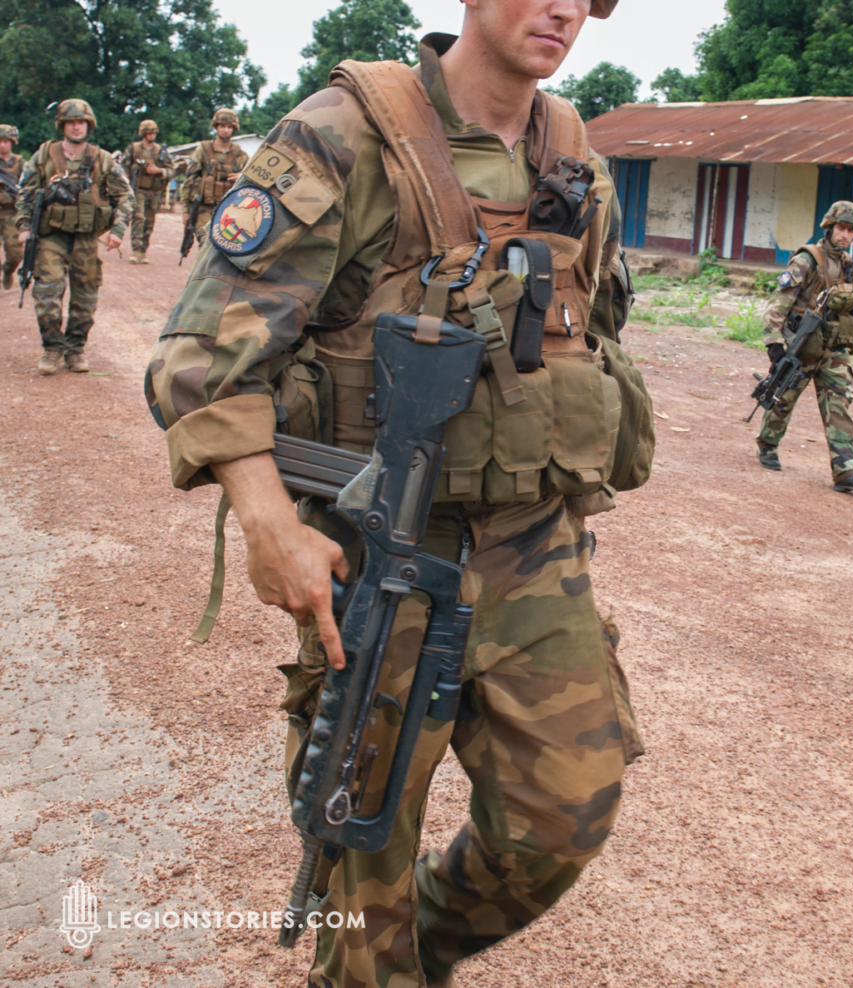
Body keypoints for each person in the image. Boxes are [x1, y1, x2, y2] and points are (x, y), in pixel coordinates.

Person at [143, 1, 650, 986]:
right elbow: (201, 358)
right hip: (384, 547)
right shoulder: (344, 135)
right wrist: (268, 522)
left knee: (565, 816)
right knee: (361, 848)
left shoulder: (574, 149)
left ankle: (416, 944)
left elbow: (591, 330)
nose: (560, 10)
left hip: (533, 546)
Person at [755, 200, 853, 492]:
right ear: (830, 227)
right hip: (804, 346)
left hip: (834, 351)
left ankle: (846, 471)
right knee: (783, 400)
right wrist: (775, 345)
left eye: (850, 231)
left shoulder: (847, 265)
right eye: (841, 228)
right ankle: (768, 444)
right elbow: (777, 304)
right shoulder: (807, 260)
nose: (845, 235)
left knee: (839, 406)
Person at [18, 99, 133, 375]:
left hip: (85, 239)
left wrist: (117, 230)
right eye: (71, 122)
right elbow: (25, 192)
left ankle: (75, 349)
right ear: (62, 125)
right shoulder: (44, 155)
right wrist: (23, 226)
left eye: (81, 121)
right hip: (49, 238)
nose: (76, 126)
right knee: (47, 297)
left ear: (89, 124)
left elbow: (125, 196)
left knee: (85, 300)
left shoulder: (102, 159)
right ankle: (52, 348)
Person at [179, 107, 247, 246]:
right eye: (222, 126)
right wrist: (185, 211)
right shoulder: (202, 151)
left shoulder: (241, 156)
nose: (226, 130)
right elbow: (189, 182)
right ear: (216, 127)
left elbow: (254, 183)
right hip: (204, 208)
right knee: (205, 242)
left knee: (225, 245)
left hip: (230, 209)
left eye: (229, 127)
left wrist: (242, 177)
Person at [123, 119, 171, 263]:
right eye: (149, 133)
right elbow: (123, 166)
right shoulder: (133, 148)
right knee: (138, 217)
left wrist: (159, 170)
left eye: (154, 133)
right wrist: (125, 178)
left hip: (154, 191)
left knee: (149, 221)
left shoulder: (160, 151)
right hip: (137, 190)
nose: (152, 135)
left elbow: (172, 169)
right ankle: (136, 249)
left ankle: (143, 250)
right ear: (143, 133)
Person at [0, 123, 23, 289]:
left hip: (12, 212)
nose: (2, 145)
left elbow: (28, 186)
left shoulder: (20, 163)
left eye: (6, 141)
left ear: (12, 142)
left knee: (16, 254)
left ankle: (7, 270)